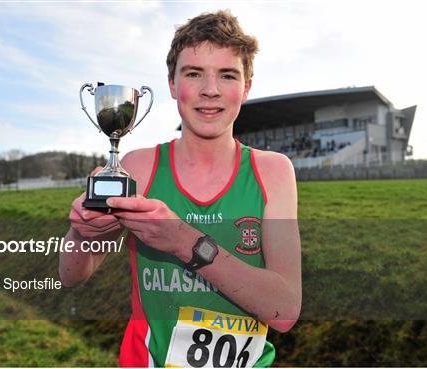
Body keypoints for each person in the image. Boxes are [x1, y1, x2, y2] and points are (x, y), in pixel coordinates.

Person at [59, 10, 301, 368]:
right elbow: (71, 275)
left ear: (247, 87)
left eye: (227, 75)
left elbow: (283, 310)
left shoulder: (273, 172)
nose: (210, 90)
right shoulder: (140, 167)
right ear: (172, 84)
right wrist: (82, 232)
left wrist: (182, 241)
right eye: (193, 73)